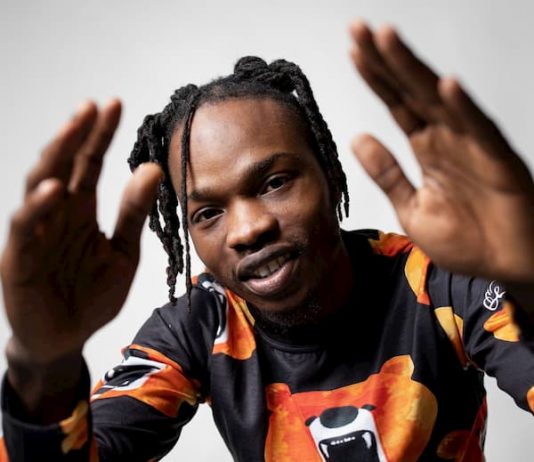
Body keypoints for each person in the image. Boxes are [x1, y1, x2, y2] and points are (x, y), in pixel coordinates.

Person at [1, 19, 533, 461]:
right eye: (208, 212)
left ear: (329, 174)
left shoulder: (440, 280)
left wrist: (528, 279)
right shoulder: (204, 323)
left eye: (275, 182)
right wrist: (43, 366)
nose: (247, 229)